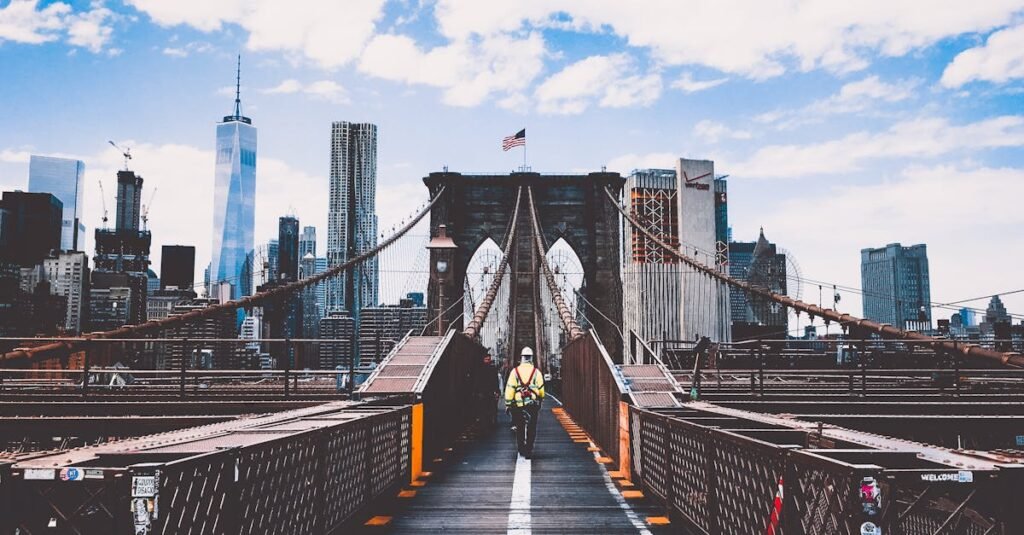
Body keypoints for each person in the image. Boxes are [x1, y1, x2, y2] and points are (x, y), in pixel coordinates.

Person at [504, 346, 545, 459]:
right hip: (532, 404)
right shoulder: (536, 372)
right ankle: (529, 449)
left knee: (520, 427)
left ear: (521, 358)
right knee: (532, 427)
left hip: (518, 404)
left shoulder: (515, 372)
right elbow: (541, 390)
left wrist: (508, 404)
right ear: (532, 358)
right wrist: (541, 398)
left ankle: (521, 448)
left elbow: (510, 388)